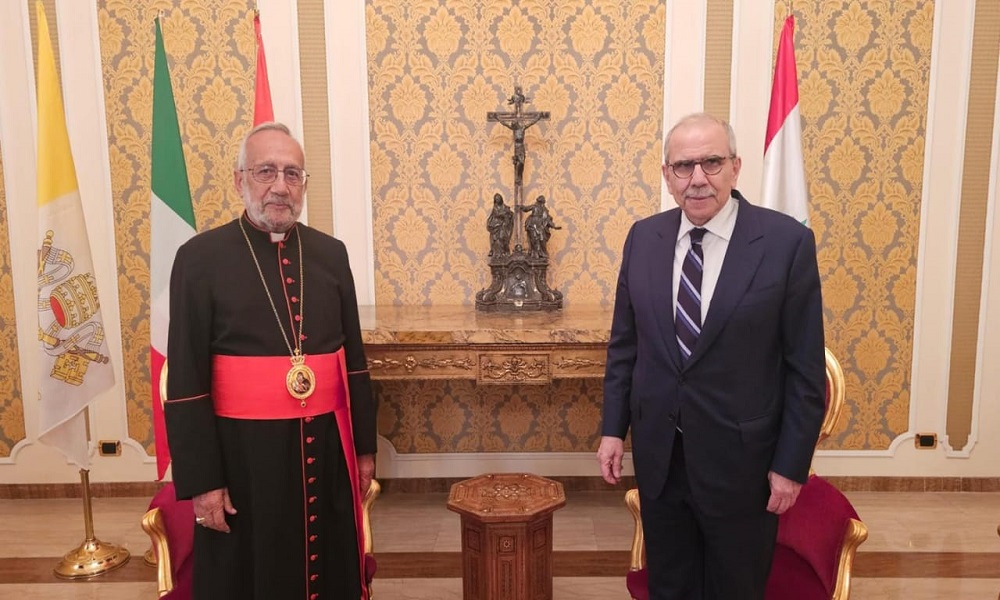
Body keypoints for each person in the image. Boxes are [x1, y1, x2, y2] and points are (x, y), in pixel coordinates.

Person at [597, 113, 825, 600]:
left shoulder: (786, 243)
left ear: (735, 167)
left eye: (712, 163)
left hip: (743, 466)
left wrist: (790, 465)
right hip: (661, 460)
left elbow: (805, 371)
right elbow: (625, 347)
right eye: (684, 166)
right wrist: (613, 429)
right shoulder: (643, 238)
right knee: (670, 585)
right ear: (667, 175)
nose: (698, 178)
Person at [164, 121, 376, 599]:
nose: (281, 186)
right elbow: (187, 380)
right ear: (239, 179)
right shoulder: (199, 259)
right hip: (243, 458)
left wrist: (364, 450)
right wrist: (204, 482)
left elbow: (355, 362)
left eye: (292, 173)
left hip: (326, 448)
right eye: (266, 171)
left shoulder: (330, 254)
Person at [487, 192, 513, 257]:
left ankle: (504, 252)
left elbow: (510, 214)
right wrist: (505, 213)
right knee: (496, 240)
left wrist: (509, 214)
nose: (497, 200)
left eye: (498, 199)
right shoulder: (495, 208)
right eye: (496, 199)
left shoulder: (505, 207)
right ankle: (497, 254)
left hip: (503, 226)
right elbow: (497, 214)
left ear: (501, 199)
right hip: (496, 226)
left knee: (503, 238)